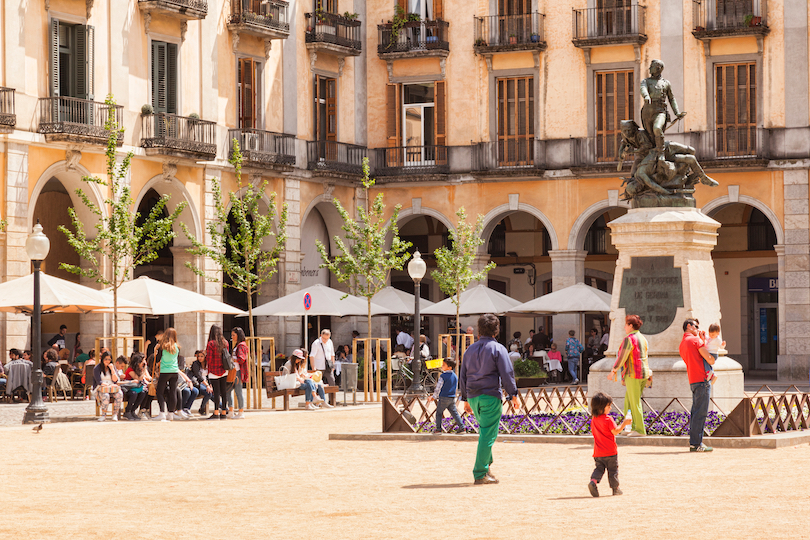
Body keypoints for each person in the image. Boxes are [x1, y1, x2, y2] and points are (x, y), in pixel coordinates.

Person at [460, 313, 519, 485]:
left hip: (472, 396)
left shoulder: (469, 350)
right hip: (490, 396)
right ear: (496, 330)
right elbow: (507, 373)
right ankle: (480, 473)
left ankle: (486, 468)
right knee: (487, 434)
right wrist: (513, 394)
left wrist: (465, 399)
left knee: (485, 432)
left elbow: (462, 375)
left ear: (478, 330)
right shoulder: (498, 348)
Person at [608, 315, 651, 437]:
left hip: (633, 374)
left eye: (626, 324)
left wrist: (613, 371)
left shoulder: (629, 339)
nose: (624, 327)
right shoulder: (642, 338)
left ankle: (639, 429)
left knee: (634, 401)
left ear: (631, 326)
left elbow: (622, 357)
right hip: (643, 373)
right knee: (629, 400)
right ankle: (629, 427)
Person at [680, 318, 715, 452]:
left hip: (693, 379)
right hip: (702, 379)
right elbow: (710, 359)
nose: (698, 328)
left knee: (696, 412)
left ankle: (695, 442)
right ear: (689, 326)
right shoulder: (695, 341)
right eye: (696, 326)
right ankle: (696, 443)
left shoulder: (682, 343)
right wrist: (703, 341)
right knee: (700, 413)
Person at [588, 392, 632, 497]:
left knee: (599, 469)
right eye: (608, 406)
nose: (610, 408)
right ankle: (615, 489)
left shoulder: (594, 419)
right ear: (601, 407)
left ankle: (593, 481)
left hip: (598, 452)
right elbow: (615, 431)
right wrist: (624, 423)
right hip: (610, 451)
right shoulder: (608, 419)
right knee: (613, 471)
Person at [640, 59, 686, 156]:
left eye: (651, 66)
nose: (649, 68)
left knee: (657, 128)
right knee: (651, 137)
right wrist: (646, 96)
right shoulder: (646, 81)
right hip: (647, 111)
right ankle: (652, 157)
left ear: (658, 68)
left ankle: (661, 155)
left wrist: (677, 112)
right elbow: (643, 88)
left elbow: (671, 98)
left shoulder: (666, 83)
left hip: (660, 111)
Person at [428, 359, 464, 434]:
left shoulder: (443, 376)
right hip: (452, 397)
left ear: (449, 367)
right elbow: (455, 387)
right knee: (454, 413)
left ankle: (438, 429)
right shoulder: (455, 376)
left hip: (443, 397)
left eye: (444, 365)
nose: (442, 366)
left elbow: (438, 387)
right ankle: (462, 428)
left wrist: (434, 397)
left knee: (439, 413)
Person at [153, 327, 181, 422]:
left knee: (160, 392)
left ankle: (162, 413)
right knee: (173, 392)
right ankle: (171, 414)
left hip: (165, 371)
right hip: (174, 371)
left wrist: (155, 350)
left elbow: (157, 360)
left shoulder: (162, 346)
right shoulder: (177, 347)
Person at [205, 325, 230, 420]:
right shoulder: (225, 342)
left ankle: (216, 412)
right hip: (224, 370)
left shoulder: (211, 343)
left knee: (216, 392)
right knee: (224, 392)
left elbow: (209, 359)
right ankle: (223, 413)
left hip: (213, 371)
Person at [93, 351, 123, 422]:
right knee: (105, 396)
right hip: (101, 388)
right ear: (102, 359)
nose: (107, 361)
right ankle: (103, 415)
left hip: (111, 387)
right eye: (106, 359)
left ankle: (115, 414)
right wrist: (106, 384)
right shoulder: (97, 368)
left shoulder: (112, 367)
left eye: (109, 359)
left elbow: (115, 380)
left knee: (120, 394)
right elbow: (99, 382)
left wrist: (112, 369)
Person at [122, 352, 149, 421]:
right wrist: (144, 369)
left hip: (135, 388)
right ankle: (127, 411)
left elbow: (147, 378)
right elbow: (138, 378)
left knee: (143, 393)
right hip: (127, 389)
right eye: (142, 362)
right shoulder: (130, 369)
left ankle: (133, 411)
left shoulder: (139, 369)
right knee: (134, 394)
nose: (144, 363)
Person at [229, 327, 248, 420]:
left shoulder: (241, 345)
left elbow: (241, 359)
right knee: (229, 390)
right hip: (235, 371)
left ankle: (240, 412)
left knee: (238, 391)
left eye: (233, 335)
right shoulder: (239, 345)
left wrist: (233, 359)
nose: (232, 337)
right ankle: (231, 410)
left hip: (238, 371)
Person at [190, 350, 214, 416]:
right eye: (199, 356)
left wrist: (210, 385)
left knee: (213, 395)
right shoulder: (195, 364)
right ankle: (202, 409)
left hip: (206, 384)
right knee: (209, 393)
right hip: (198, 383)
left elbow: (209, 376)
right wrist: (207, 386)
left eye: (202, 356)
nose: (200, 358)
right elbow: (198, 376)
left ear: (205, 357)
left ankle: (225, 409)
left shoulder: (207, 364)